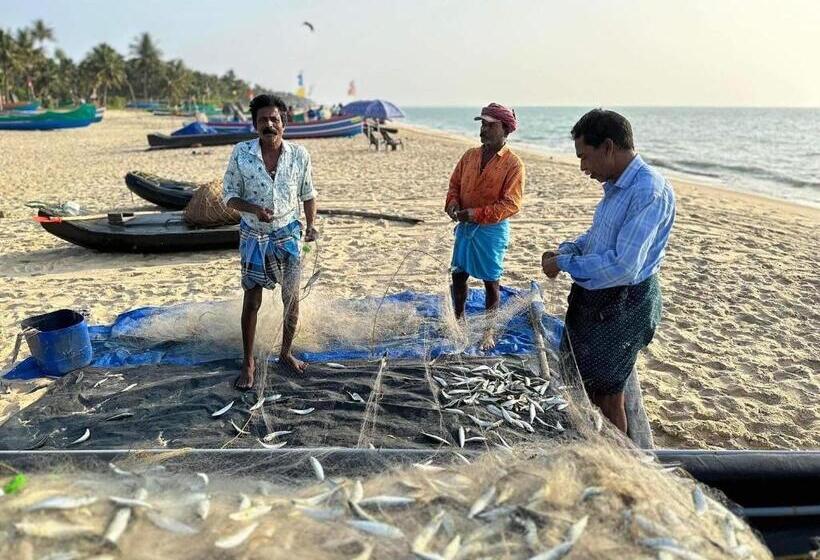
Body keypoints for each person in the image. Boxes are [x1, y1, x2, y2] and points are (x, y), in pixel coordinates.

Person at [541, 109, 676, 434]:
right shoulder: (617, 186)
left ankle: (618, 455)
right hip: (597, 301)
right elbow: (600, 236)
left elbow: (623, 266)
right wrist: (569, 249)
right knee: (588, 382)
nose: (583, 167)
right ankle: (597, 440)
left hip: (622, 305)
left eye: (584, 157)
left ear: (608, 147)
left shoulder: (648, 191)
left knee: (607, 394)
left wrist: (563, 264)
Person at [223, 94, 319, 389]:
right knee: (252, 300)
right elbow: (230, 197)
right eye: (263, 120)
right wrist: (254, 209)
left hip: (289, 236)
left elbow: (308, 194)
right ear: (255, 125)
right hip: (253, 236)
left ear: (283, 124)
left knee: (292, 298)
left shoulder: (299, 155)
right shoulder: (241, 153)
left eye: (274, 119)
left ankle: (286, 353)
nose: (269, 125)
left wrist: (311, 225)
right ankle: (248, 362)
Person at [445, 103, 525, 350]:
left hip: (491, 230)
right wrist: (452, 203)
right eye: (482, 124)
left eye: (490, 125)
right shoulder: (469, 156)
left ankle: (488, 331)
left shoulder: (513, 164)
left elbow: (511, 204)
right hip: (465, 227)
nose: (484, 129)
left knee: (491, 281)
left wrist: (476, 214)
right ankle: (458, 320)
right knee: (459, 275)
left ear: (505, 129)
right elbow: (454, 184)